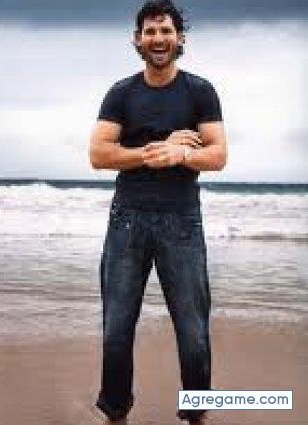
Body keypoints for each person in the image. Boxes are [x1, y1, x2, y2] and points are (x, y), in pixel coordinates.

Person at [89, 0, 227, 423]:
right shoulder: (122, 92)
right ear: (138, 40)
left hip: (181, 220)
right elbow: (98, 154)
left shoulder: (200, 91)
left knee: (193, 331)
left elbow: (218, 156)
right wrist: (155, 153)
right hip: (127, 219)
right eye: (150, 31)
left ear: (179, 38)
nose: (158, 38)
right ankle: (115, 410)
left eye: (166, 30)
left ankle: (196, 412)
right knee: (116, 330)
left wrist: (181, 154)